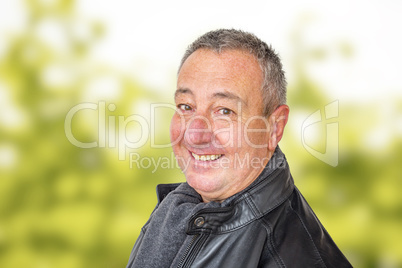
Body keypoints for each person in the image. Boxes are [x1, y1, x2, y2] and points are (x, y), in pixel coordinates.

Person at [126, 29, 352, 268]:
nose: (194, 134)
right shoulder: (175, 213)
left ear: (274, 128)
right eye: (186, 106)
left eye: (224, 111)